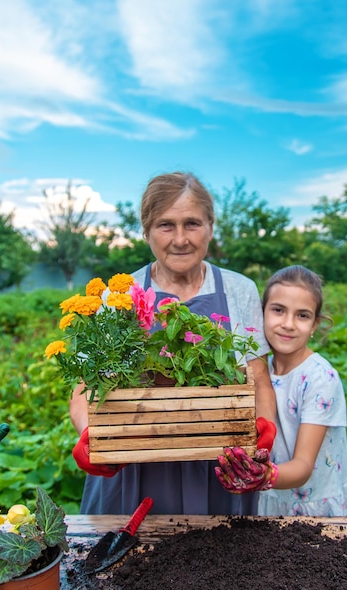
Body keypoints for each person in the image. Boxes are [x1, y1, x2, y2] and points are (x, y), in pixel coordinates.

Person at [70, 171, 277, 516]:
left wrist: (260, 440)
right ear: (146, 231)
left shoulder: (239, 289)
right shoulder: (118, 296)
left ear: (210, 227)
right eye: (166, 225)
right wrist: (92, 437)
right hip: (136, 467)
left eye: (192, 224)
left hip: (217, 467)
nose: (180, 239)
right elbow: (84, 386)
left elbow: (258, 380)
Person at [215, 264, 347, 517]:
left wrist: (262, 476)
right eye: (278, 310)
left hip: (315, 506)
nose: (288, 324)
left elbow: (303, 467)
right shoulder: (258, 373)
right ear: (260, 315)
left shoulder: (320, 377)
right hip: (270, 500)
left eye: (302, 315)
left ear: (315, 325)